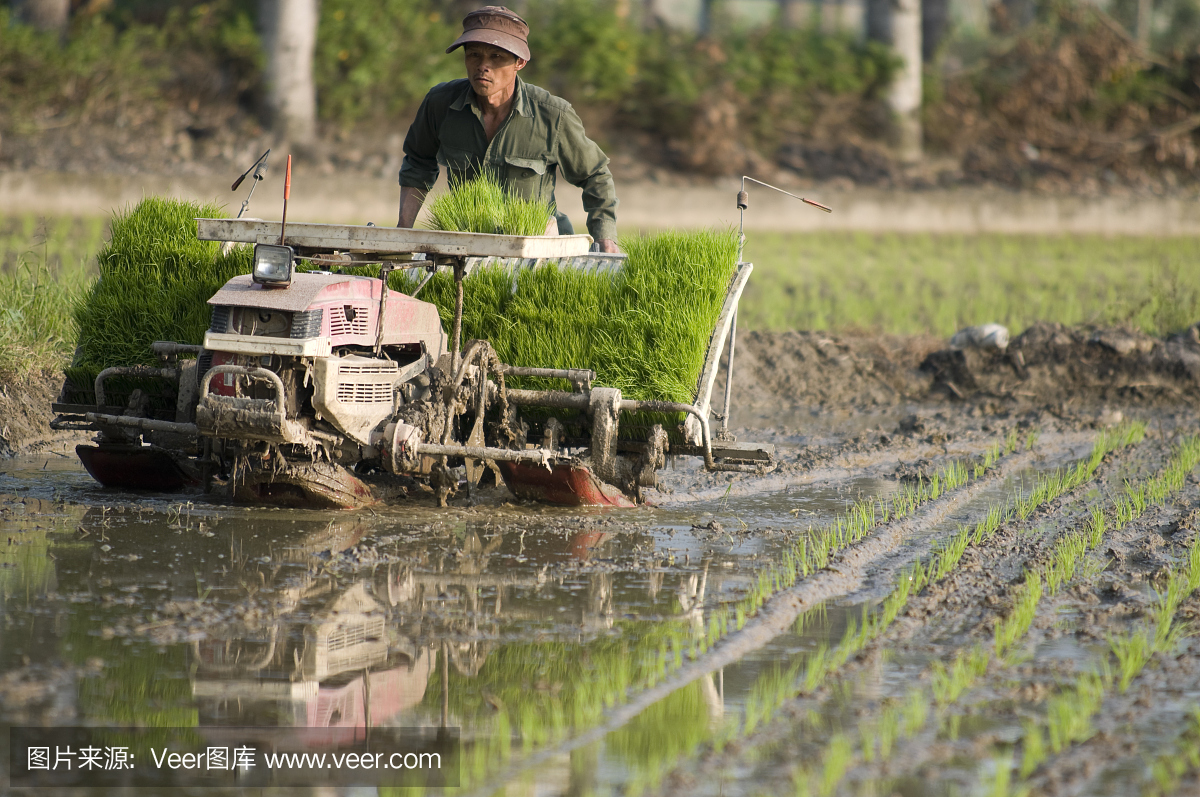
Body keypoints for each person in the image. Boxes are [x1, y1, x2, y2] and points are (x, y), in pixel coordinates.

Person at [396, 5, 620, 252]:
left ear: (519, 62)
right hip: (468, 246)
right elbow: (418, 162)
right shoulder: (440, 105)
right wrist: (402, 233)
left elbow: (595, 175)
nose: (483, 65)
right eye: (474, 55)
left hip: (538, 248)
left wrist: (604, 238)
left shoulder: (553, 116)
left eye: (496, 57)